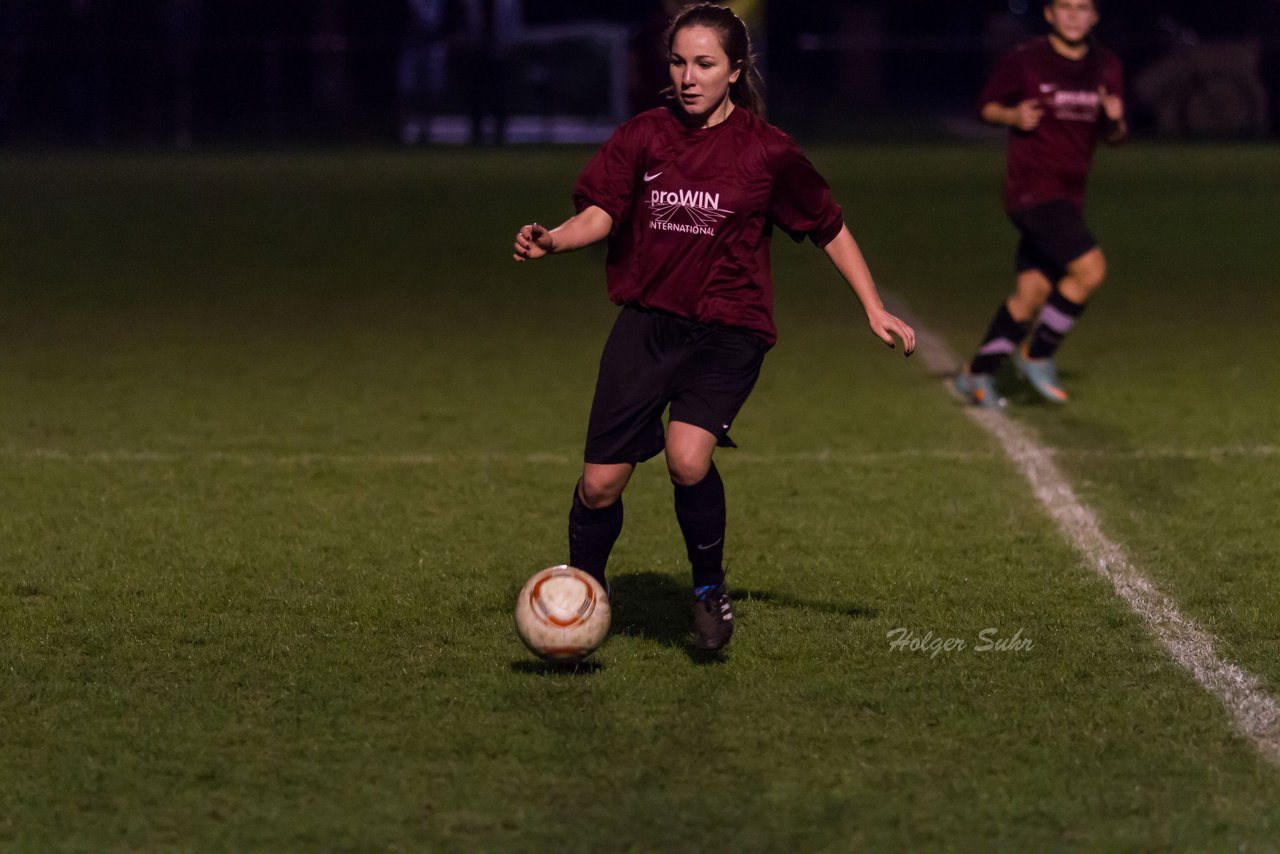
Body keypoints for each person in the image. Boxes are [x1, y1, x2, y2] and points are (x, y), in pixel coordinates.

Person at [512, 3, 915, 651]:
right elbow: (600, 213)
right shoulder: (643, 136)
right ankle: (583, 589)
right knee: (599, 483)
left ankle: (708, 592)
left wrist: (872, 305)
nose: (689, 76)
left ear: (735, 70)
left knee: (686, 457)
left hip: (729, 329)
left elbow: (827, 224)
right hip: (648, 324)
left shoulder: (767, 151)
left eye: (705, 63)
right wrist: (554, 240)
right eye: (679, 62)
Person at [953, 0, 1126, 408]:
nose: (1073, 15)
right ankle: (1038, 355)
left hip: (1069, 196)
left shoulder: (1105, 65)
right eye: (1064, 7)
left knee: (1032, 293)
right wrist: (1012, 116)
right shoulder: (1027, 59)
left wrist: (1115, 119)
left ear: (1095, 16)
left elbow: (1115, 137)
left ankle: (976, 374)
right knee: (1090, 270)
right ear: (1049, 14)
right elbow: (985, 107)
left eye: (1082, 8)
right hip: (1032, 192)